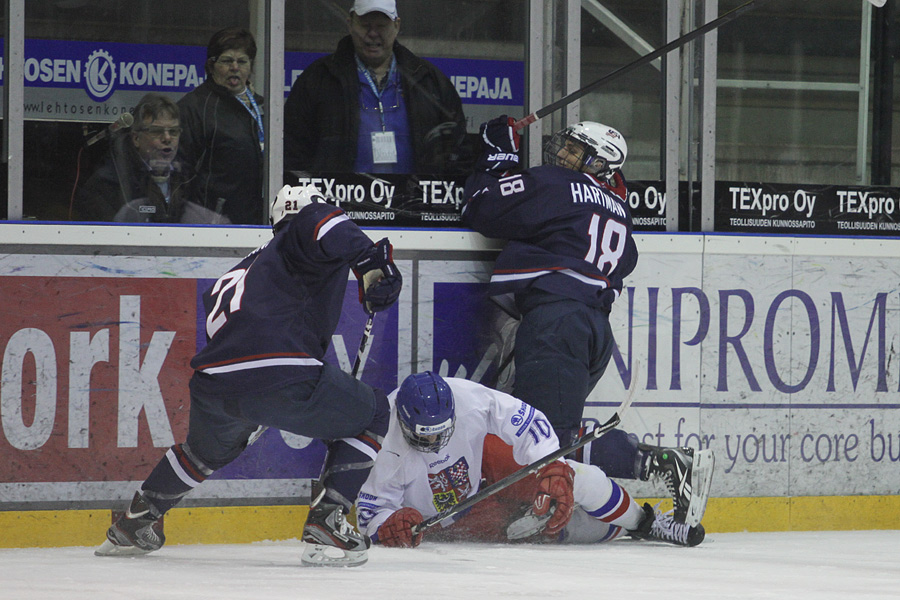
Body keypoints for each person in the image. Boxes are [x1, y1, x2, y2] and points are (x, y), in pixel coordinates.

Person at [95, 184, 403, 568]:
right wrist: (375, 266)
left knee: (203, 454)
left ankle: (136, 523)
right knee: (372, 412)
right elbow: (327, 224)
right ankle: (329, 518)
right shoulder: (307, 226)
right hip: (277, 371)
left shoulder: (246, 267)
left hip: (215, 382)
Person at [461, 116, 712, 525]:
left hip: (555, 323)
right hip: (591, 329)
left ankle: (551, 505)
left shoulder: (557, 185)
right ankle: (659, 462)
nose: (561, 154)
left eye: (575, 151)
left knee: (540, 438)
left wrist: (498, 153)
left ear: (600, 164)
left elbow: (481, 206)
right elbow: (625, 258)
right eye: (566, 146)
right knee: (533, 430)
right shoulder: (620, 210)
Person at [356, 372, 708, 548]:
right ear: (402, 421)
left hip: (486, 470)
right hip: (450, 522)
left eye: (440, 431)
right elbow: (372, 511)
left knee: (576, 478)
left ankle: (645, 523)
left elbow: (529, 422)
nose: (433, 441)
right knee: (556, 530)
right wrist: (391, 523)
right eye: (425, 435)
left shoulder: (468, 399)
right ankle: (618, 528)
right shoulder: (382, 440)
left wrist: (548, 464)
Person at [283, 0, 469, 176]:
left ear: (397, 26)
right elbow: (292, 150)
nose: (373, 34)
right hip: (337, 205)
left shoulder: (429, 81)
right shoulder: (318, 78)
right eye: (365, 25)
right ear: (350, 24)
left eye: (381, 26)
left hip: (415, 204)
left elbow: (457, 150)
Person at [75, 93, 227, 224]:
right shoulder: (109, 182)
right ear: (136, 138)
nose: (167, 138)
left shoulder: (190, 178)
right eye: (156, 131)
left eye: (173, 132)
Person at [177, 27, 264, 224]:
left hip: (259, 220)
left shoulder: (265, 108)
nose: (235, 67)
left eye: (242, 61)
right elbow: (181, 172)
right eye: (227, 61)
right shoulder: (194, 107)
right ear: (212, 65)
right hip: (212, 222)